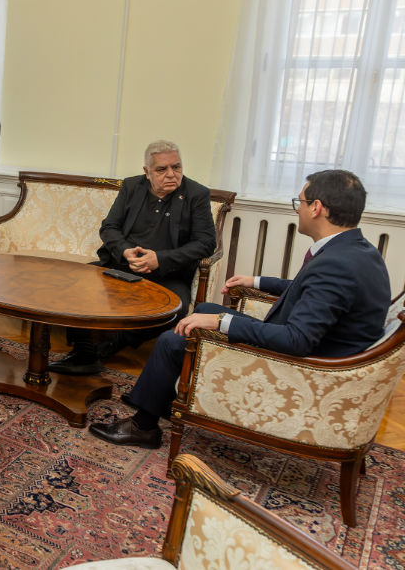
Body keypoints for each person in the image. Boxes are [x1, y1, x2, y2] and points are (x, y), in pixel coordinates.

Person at [88, 169, 391, 449]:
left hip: (305, 368)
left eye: (299, 202)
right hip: (319, 348)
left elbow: (297, 340)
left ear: (317, 208)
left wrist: (222, 322)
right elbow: (308, 289)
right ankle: (160, 399)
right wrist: (256, 281)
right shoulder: (354, 250)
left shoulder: (336, 265)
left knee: (174, 338)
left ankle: (144, 426)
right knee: (205, 308)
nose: (297, 209)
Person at [49, 140, 217, 375]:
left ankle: (112, 345)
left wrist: (160, 259)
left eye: (176, 167)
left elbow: (206, 242)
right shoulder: (131, 186)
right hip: (122, 265)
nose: (171, 174)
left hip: (167, 274)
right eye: (162, 169)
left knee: (176, 309)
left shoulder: (196, 194)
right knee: (74, 281)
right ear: (147, 172)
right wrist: (126, 251)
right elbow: (109, 227)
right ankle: (83, 351)